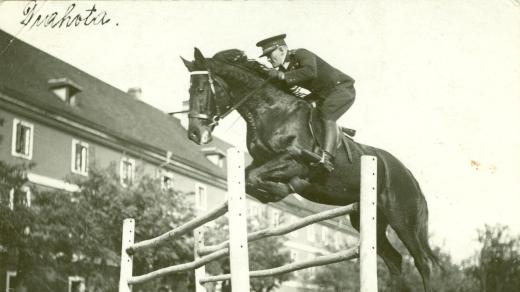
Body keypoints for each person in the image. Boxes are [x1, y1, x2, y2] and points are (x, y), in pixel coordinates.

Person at [256, 34, 356, 173]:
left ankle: (326, 157)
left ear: (282, 50)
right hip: (322, 93)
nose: (268, 59)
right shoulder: (283, 69)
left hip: (341, 89)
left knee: (327, 114)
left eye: (269, 54)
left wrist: (282, 76)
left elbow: (310, 72)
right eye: (266, 56)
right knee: (304, 108)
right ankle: (336, 131)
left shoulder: (301, 54)